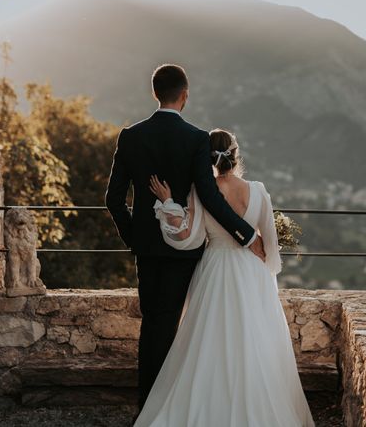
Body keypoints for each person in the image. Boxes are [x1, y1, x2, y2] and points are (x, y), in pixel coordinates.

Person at [105, 64, 267, 410]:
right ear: (185, 95)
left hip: (147, 249)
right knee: (177, 325)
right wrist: (245, 232)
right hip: (186, 250)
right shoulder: (196, 138)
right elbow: (208, 195)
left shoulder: (131, 137)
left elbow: (113, 199)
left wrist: (134, 237)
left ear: (155, 93)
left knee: (153, 324)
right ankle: (171, 405)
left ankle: (148, 404)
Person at [134, 128, 314, 427]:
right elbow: (270, 243)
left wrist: (167, 202)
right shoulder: (258, 190)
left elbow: (187, 236)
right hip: (252, 271)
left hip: (215, 268)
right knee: (256, 341)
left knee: (208, 341)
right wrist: (265, 273)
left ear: (208, 158)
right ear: (236, 154)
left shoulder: (203, 191)